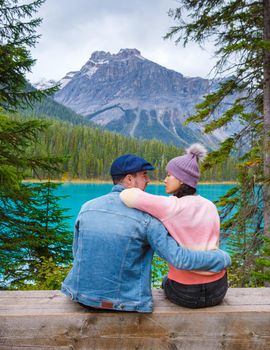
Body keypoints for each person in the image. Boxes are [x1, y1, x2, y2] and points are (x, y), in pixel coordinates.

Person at [61, 153, 231, 313]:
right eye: (144, 175)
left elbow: (77, 253)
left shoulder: (87, 207)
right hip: (127, 304)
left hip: (81, 297)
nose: (149, 180)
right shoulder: (148, 218)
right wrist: (222, 258)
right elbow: (177, 257)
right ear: (129, 180)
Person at [120, 145, 228, 309]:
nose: (165, 179)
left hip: (186, 293)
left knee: (166, 282)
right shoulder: (210, 206)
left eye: (169, 175)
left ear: (182, 179)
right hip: (219, 289)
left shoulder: (171, 206)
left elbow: (127, 195)